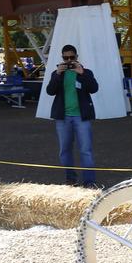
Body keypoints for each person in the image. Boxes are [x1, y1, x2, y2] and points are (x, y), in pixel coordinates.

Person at [45, 44, 99, 187]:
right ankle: (70, 178)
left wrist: (82, 73)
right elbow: (50, 91)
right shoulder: (57, 74)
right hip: (63, 118)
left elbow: (94, 88)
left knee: (86, 150)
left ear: (76, 57)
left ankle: (89, 182)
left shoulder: (86, 72)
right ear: (62, 58)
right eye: (65, 58)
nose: (69, 60)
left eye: (71, 57)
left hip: (81, 117)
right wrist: (57, 74)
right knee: (65, 150)